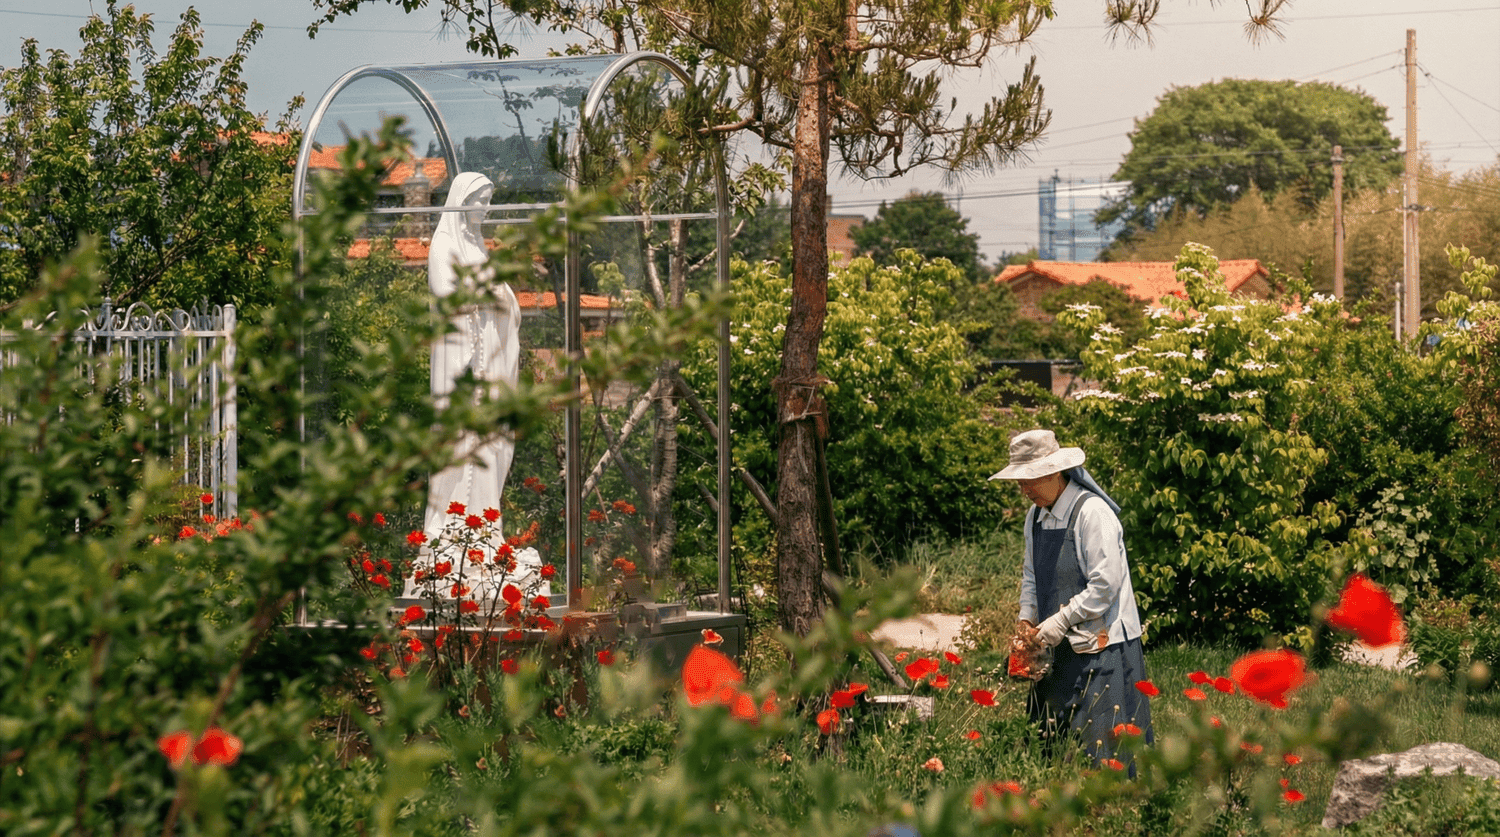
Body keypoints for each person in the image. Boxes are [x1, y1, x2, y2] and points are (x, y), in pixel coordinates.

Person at [990, 429, 1153, 769]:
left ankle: (1116, 816)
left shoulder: (1092, 513)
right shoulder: (1034, 516)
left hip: (1103, 647)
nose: (1023, 491)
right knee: (1049, 745)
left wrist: (1059, 622)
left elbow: (1105, 586)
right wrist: (1027, 620)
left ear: (1052, 473)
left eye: (1028, 481)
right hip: (1056, 646)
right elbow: (1032, 575)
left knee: (1105, 751)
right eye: (1019, 482)